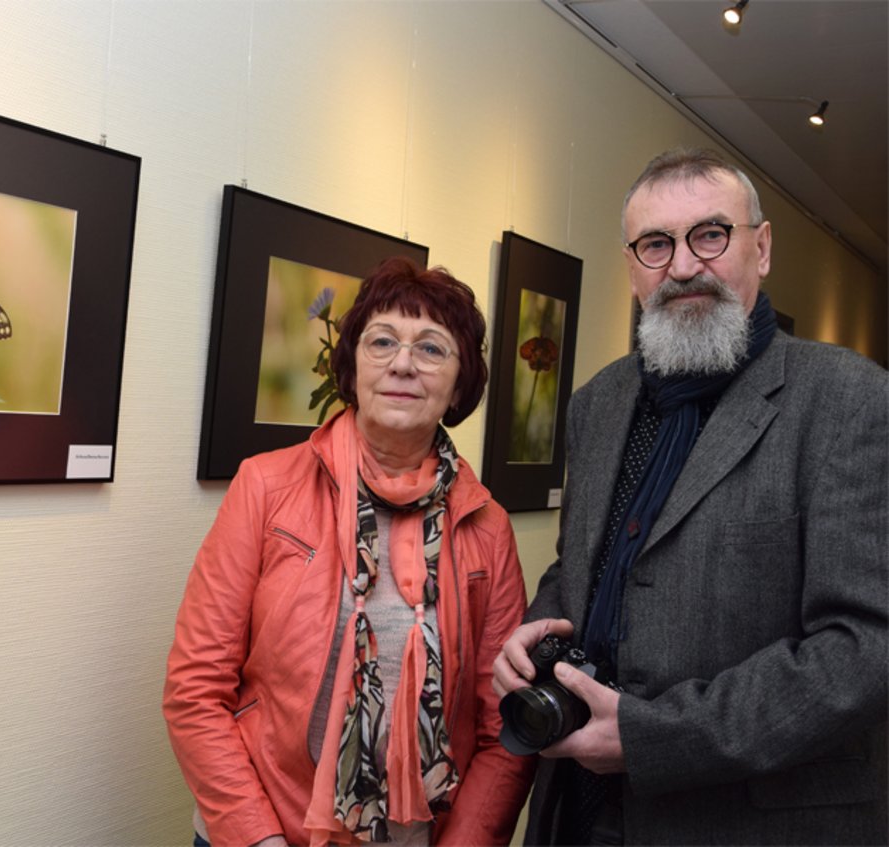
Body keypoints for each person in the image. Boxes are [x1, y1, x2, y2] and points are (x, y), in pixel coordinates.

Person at [493, 147, 888, 845]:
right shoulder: (597, 403)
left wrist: (653, 738)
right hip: (580, 811)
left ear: (761, 248)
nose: (682, 266)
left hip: (745, 821)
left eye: (710, 234)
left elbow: (863, 648)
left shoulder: (850, 400)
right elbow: (581, 566)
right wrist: (537, 631)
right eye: (656, 244)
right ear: (631, 264)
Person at [165, 257, 534, 846]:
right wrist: (256, 838)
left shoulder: (486, 525)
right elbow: (195, 688)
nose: (403, 363)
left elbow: (503, 729)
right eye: (382, 341)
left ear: (462, 382)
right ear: (352, 364)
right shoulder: (265, 487)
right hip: (262, 832)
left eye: (432, 349)